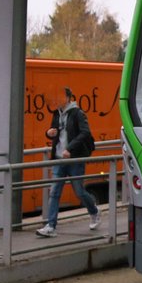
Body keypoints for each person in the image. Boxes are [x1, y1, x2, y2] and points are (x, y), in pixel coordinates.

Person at [37, 87, 100, 237]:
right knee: (54, 192)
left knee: (79, 192)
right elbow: (55, 132)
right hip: (59, 158)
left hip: (74, 159)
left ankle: (94, 211)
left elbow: (85, 133)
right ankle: (51, 226)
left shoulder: (77, 113)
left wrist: (70, 149)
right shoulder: (56, 113)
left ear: (68, 98)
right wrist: (49, 133)